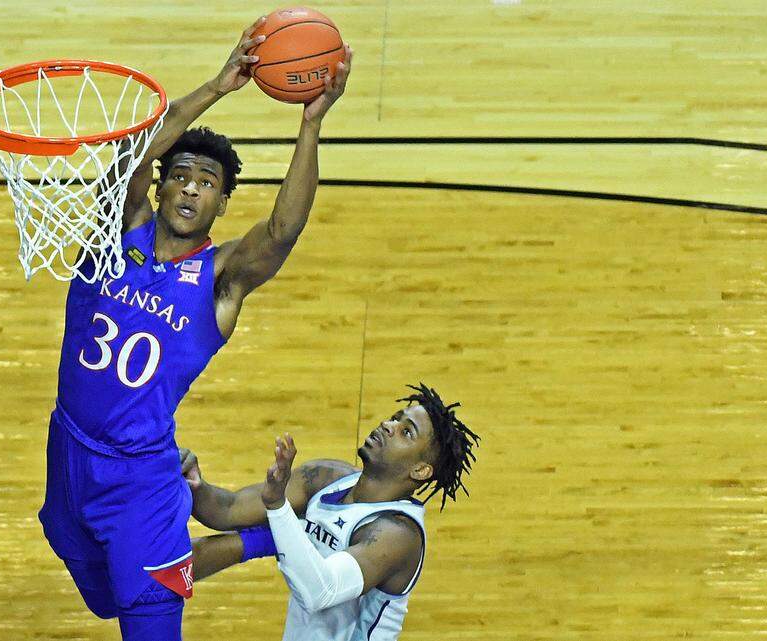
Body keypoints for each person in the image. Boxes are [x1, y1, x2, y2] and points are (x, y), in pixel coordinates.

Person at [37, 15, 355, 640]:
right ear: (158, 190)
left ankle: (248, 547)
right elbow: (135, 155)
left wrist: (311, 123)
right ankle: (261, 542)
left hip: (140, 482)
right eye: (179, 175)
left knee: (147, 603)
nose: (189, 188)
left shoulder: (219, 280)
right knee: (105, 597)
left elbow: (281, 233)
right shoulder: (113, 233)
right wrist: (219, 84)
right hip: (68, 453)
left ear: (221, 204)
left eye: (207, 183)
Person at [180, 384, 479, 641]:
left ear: (420, 470)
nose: (388, 425)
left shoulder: (398, 535)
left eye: (406, 432)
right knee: (251, 539)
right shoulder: (323, 477)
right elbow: (228, 510)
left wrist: (277, 509)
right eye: (394, 418)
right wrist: (193, 484)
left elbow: (319, 591)